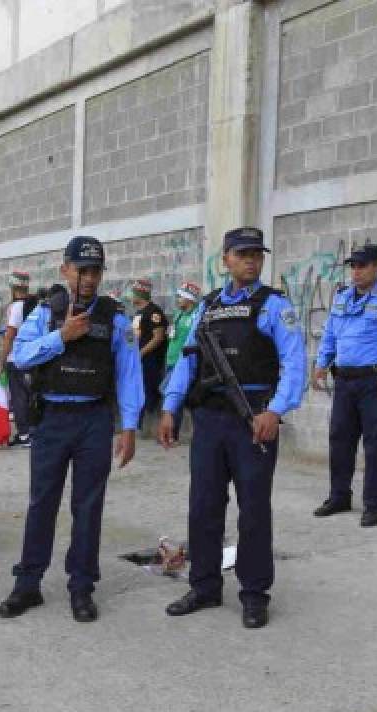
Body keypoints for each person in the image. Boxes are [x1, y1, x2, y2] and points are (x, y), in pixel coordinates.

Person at [158, 227, 306, 628]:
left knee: (254, 509)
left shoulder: (274, 306)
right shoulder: (206, 308)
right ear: (225, 259)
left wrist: (275, 412)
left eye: (257, 254)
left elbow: (295, 363)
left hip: (253, 420)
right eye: (243, 254)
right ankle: (204, 585)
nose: (251, 260)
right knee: (204, 504)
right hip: (208, 420)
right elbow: (187, 362)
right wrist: (170, 408)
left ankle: (254, 593)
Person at [0, 236, 143, 624]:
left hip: (94, 420)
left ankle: (82, 587)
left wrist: (129, 427)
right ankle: (28, 583)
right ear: (65, 270)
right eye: (81, 270)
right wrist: (61, 337)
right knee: (41, 502)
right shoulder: (46, 312)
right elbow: (19, 356)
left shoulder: (115, 317)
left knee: (88, 506)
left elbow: (130, 374)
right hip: (52, 419)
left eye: (95, 271)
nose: (88, 278)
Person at [311, 243, 377, 528]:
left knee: (374, 445)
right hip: (344, 381)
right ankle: (339, 496)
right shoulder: (342, 298)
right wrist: (321, 364)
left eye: (362, 266)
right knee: (340, 440)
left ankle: (372, 505)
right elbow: (330, 334)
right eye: (353, 266)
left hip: (376, 382)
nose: (356, 272)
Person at [0, 271, 37, 447]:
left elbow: (10, 335)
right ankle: (32, 430)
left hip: (16, 358)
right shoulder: (35, 305)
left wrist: (1, 360)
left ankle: (24, 434)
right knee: (30, 395)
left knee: (18, 398)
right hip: (32, 357)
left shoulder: (16, 307)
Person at [129, 278, 169, 434]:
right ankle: (137, 425)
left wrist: (140, 353)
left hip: (149, 360)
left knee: (149, 392)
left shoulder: (154, 312)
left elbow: (158, 337)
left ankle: (151, 426)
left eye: (133, 293)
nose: (131, 296)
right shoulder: (138, 313)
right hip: (138, 359)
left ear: (140, 294)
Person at [164, 282, 201, 440]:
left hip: (186, 363)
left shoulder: (196, 315)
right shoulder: (178, 314)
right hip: (171, 360)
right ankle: (173, 433)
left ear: (190, 299)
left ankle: (197, 433)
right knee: (172, 398)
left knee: (192, 400)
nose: (178, 299)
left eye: (181, 296)